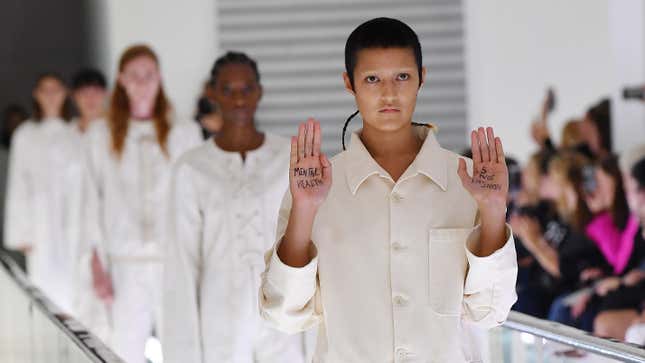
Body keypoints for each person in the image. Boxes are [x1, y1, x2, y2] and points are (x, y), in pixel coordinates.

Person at [259, 18, 517, 362]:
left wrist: (493, 211)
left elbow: (490, 311)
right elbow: (283, 314)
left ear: (422, 78)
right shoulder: (316, 187)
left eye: (402, 77)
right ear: (349, 83)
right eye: (372, 79)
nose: (389, 93)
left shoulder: (467, 181)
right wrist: (305, 210)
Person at [162, 51, 304, 363]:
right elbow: (181, 266)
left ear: (259, 92)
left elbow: (310, 242)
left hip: (284, 314)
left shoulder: (289, 158)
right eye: (227, 90)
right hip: (219, 317)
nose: (238, 99)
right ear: (212, 94)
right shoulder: (191, 168)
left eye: (246, 89)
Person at [81, 44, 202, 363]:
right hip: (124, 263)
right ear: (121, 79)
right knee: (123, 350)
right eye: (134, 75)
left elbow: (195, 201)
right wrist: (96, 267)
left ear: (159, 78)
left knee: (182, 349)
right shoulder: (100, 135)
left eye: (148, 74)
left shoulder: (184, 133)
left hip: (173, 262)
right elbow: (90, 200)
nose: (142, 82)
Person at [4, 72, 77, 312]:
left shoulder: (76, 132)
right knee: (45, 287)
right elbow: (19, 185)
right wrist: (21, 233)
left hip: (74, 219)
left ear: (65, 94)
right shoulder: (26, 134)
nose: (51, 96)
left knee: (76, 285)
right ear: (37, 95)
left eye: (56, 90)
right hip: (40, 223)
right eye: (45, 90)